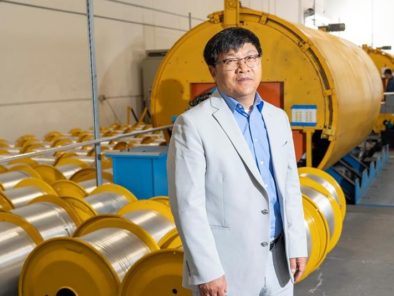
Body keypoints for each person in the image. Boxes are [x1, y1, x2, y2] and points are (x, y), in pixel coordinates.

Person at [167, 27, 308, 296]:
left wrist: (297, 244)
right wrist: (207, 270)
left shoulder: (278, 118)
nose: (243, 67)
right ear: (213, 70)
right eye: (230, 60)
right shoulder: (193, 124)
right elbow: (187, 204)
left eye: (250, 57)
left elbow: (290, 187)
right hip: (227, 270)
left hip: (279, 260)